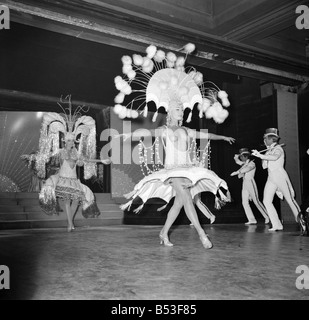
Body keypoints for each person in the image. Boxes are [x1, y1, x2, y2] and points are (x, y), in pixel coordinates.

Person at [116, 99, 235, 249]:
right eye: (178, 109)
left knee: (179, 204)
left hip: (187, 170)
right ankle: (201, 234)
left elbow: (206, 136)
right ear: (171, 112)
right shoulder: (164, 130)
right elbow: (147, 132)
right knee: (187, 198)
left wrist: (223, 138)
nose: (181, 112)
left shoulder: (187, 130)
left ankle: (164, 232)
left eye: (182, 110)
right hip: (172, 171)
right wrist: (129, 135)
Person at [36, 96, 110, 232]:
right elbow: (48, 155)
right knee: (67, 200)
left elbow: (88, 160)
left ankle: (70, 223)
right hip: (63, 180)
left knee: (77, 200)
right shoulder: (61, 152)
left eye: (72, 141)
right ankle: (70, 224)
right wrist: (35, 157)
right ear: (65, 142)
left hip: (74, 181)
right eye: (69, 141)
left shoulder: (76, 153)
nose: (71, 143)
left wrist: (102, 161)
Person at [251, 128, 307, 234]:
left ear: (272, 139)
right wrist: (263, 156)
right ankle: (277, 224)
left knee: (290, 200)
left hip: (280, 176)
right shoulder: (268, 150)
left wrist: (260, 155)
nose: (264, 141)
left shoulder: (278, 149)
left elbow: (275, 158)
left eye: (265, 139)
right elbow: (264, 166)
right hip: (271, 177)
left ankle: (302, 222)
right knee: (266, 201)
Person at [230, 148, 269, 225]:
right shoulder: (245, 163)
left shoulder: (252, 163)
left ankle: (267, 216)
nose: (241, 158)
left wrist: (237, 172)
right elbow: (238, 162)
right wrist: (236, 157)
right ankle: (251, 219)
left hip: (251, 183)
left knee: (256, 201)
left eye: (242, 156)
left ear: (246, 157)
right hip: (245, 183)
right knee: (244, 202)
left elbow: (246, 169)